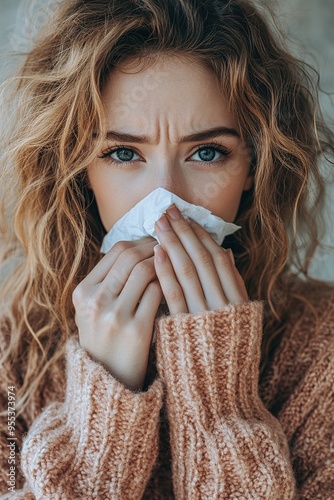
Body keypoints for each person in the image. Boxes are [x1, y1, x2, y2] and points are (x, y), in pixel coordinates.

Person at [0, 0, 333, 497]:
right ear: (80, 171)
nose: (163, 206)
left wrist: (220, 403)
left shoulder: (324, 344)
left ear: (252, 169)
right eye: (123, 153)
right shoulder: (12, 349)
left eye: (206, 153)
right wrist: (101, 406)